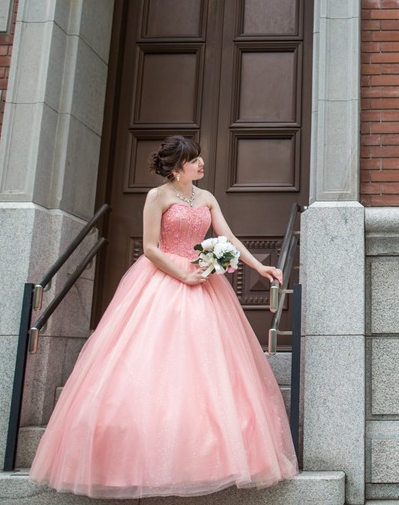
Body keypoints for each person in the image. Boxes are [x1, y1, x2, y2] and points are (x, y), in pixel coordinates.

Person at [29, 135, 299, 498]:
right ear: (176, 168)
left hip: (204, 284)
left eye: (200, 157)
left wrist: (259, 267)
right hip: (164, 280)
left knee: (210, 363)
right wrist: (182, 274)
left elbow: (228, 237)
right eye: (194, 159)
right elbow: (151, 248)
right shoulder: (157, 197)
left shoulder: (207, 198)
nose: (202, 163)